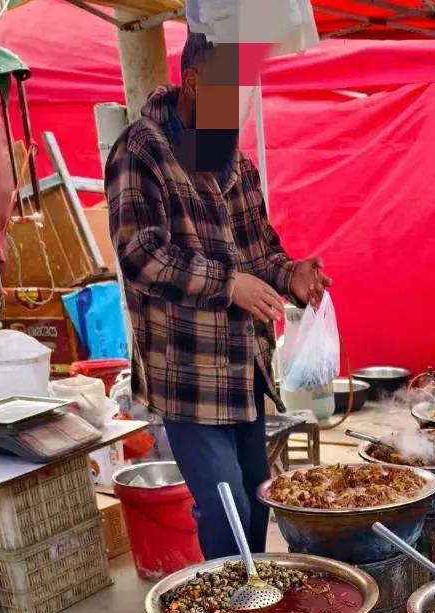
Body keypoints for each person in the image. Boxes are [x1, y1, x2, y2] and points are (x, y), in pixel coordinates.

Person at [105, 32, 329, 560]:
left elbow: (260, 252)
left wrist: (291, 275)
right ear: (193, 81)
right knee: (224, 502)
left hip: (244, 366)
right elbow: (141, 255)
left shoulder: (236, 161)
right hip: (188, 371)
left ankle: (245, 599)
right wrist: (229, 285)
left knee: (257, 497)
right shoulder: (142, 149)